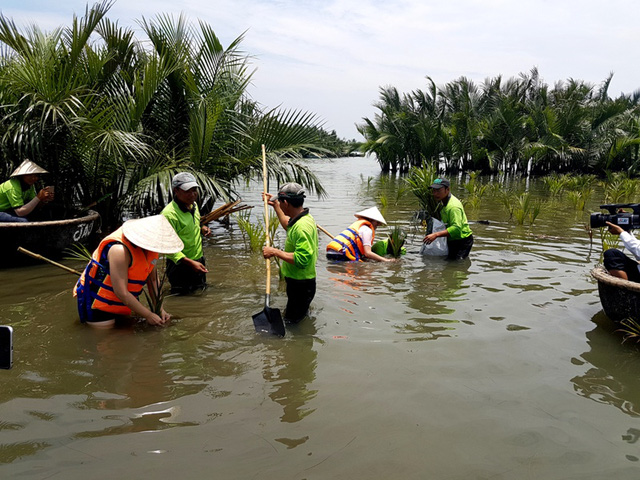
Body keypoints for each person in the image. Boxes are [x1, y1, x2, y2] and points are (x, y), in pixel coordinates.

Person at [74, 215, 184, 328]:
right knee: (107, 340)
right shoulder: (119, 250)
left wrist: (160, 309)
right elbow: (121, 292)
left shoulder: (151, 250)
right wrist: (148, 315)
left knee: (129, 334)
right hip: (99, 304)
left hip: (125, 302)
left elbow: (153, 280)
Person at [262, 182, 318, 324]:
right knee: (296, 315)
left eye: (280, 202)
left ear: (286, 203)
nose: (279, 204)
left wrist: (274, 251)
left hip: (301, 284)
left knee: (292, 323)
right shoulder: (302, 218)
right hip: (298, 282)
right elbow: (287, 224)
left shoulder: (302, 227)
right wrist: (275, 206)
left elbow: (301, 259)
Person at [161, 172, 211, 294]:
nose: (193, 194)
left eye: (194, 190)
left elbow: (192, 224)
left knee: (200, 293)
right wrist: (189, 262)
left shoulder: (193, 205)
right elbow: (167, 246)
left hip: (198, 260)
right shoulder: (169, 214)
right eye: (188, 191)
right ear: (176, 191)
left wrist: (201, 228)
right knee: (182, 297)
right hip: (180, 265)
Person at [422, 178, 474, 260]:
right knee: (448, 263)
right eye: (434, 191)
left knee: (457, 266)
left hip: (462, 240)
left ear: (447, 189)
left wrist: (436, 235)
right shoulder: (442, 202)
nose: (435, 194)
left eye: (438, 190)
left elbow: (456, 229)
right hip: (451, 239)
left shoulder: (453, 207)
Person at [326, 207, 393, 262]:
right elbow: (368, 253)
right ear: (370, 219)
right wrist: (386, 260)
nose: (378, 225)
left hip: (331, 253)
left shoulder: (358, 226)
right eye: (377, 222)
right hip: (340, 255)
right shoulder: (367, 230)